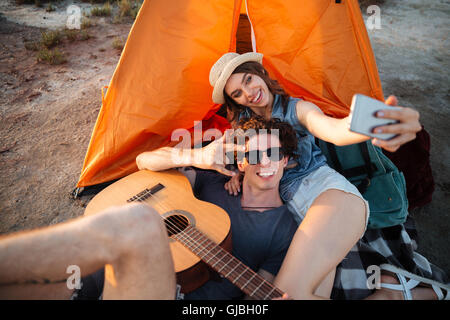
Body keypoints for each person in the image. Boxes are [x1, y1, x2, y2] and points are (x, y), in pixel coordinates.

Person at [207, 52, 449, 300]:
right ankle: (393, 294)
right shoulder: (243, 125)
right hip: (297, 219)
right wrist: (239, 174)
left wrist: (363, 123)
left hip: (327, 196)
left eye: (248, 79)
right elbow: (244, 160)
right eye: (237, 93)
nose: (248, 92)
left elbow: (331, 129)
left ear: (260, 74)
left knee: (285, 295)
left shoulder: (296, 109)